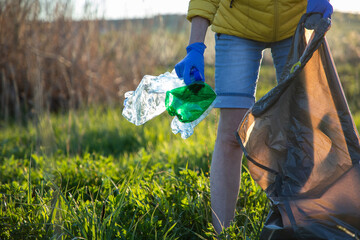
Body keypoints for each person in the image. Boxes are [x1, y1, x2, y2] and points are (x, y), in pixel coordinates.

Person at [175, 0, 333, 235]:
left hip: (296, 22)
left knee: (303, 130)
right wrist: (195, 47)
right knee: (231, 134)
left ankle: (301, 227)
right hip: (238, 23)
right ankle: (223, 233)